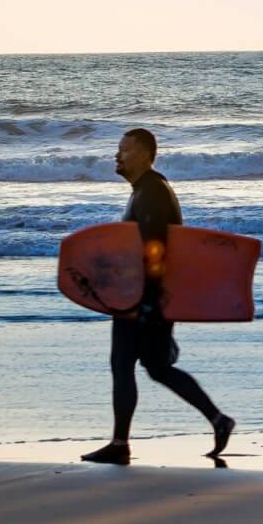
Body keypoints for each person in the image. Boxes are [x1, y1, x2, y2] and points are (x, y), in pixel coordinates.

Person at [80, 127, 235, 464]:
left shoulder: (152, 192)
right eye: (117, 149)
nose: (117, 155)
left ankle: (121, 445)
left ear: (146, 155)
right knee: (156, 367)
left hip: (143, 299)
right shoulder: (144, 190)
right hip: (145, 296)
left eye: (125, 150)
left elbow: (156, 249)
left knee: (125, 364)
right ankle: (218, 420)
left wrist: (146, 303)